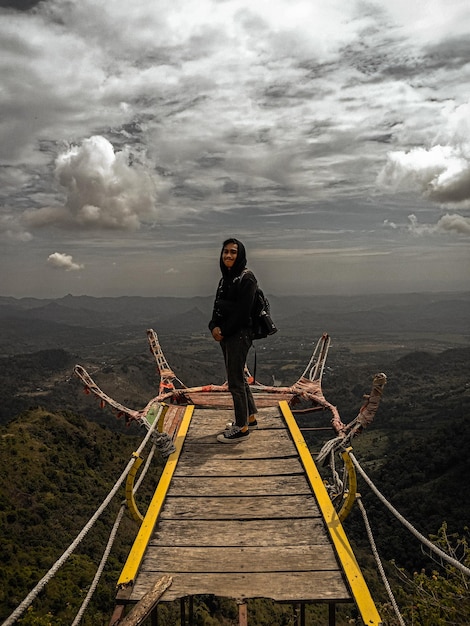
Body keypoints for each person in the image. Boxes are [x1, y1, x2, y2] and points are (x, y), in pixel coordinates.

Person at [209, 238, 258, 443]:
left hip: (239, 335)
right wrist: (213, 327)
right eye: (225, 252)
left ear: (241, 255)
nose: (228, 255)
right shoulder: (226, 279)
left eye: (233, 252)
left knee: (235, 382)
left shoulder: (247, 279)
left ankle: (241, 428)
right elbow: (218, 306)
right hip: (228, 335)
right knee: (238, 375)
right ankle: (250, 416)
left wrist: (224, 330)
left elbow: (243, 313)